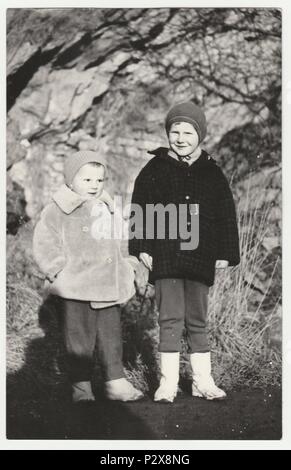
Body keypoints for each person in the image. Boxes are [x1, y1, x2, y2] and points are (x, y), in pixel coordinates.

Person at [129, 101, 240, 403]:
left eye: (188, 132)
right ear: (167, 134)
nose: (180, 137)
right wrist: (142, 247)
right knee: (170, 319)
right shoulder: (154, 169)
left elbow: (225, 215)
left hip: (201, 256)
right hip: (165, 256)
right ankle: (168, 384)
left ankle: (203, 382)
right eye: (174, 131)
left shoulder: (212, 173)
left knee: (197, 320)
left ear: (200, 135)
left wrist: (226, 251)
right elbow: (141, 207)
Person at [33, 150, 143, 403]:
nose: (94, 186)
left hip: (107, 283)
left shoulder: (108, 207)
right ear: (71, 180)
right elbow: (44, 241)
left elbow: (121, 238)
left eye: (99, 180)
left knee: (111, 336)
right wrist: (57, 268)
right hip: (76, 285)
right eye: (87, 180)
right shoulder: (58, 209)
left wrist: (127, 264)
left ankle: (115, 382)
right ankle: (81, 387)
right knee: (78, 339)